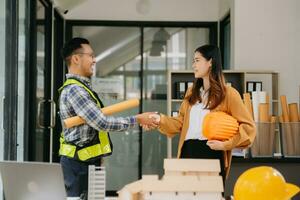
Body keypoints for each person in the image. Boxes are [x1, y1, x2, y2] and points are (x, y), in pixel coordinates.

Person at [59, 37, 159, 199]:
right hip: (77, 165)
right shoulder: (75, 90)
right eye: (90, 56)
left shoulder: (83, 89)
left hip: (85, 162)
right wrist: (138, 120)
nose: (94, 60)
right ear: (76, 58)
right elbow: (101, 122)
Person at [146, 44, 256, 182]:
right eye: (193, 61)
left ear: (210, 62)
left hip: (212, 153)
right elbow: (180, 122)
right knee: (186, 195)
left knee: (210, 195)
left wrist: (225, 145)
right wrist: (159, 119)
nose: (193, 65)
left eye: (197, 60)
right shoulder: (191, 92)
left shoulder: (229, 94)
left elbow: (249, 128)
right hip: (188, 151)